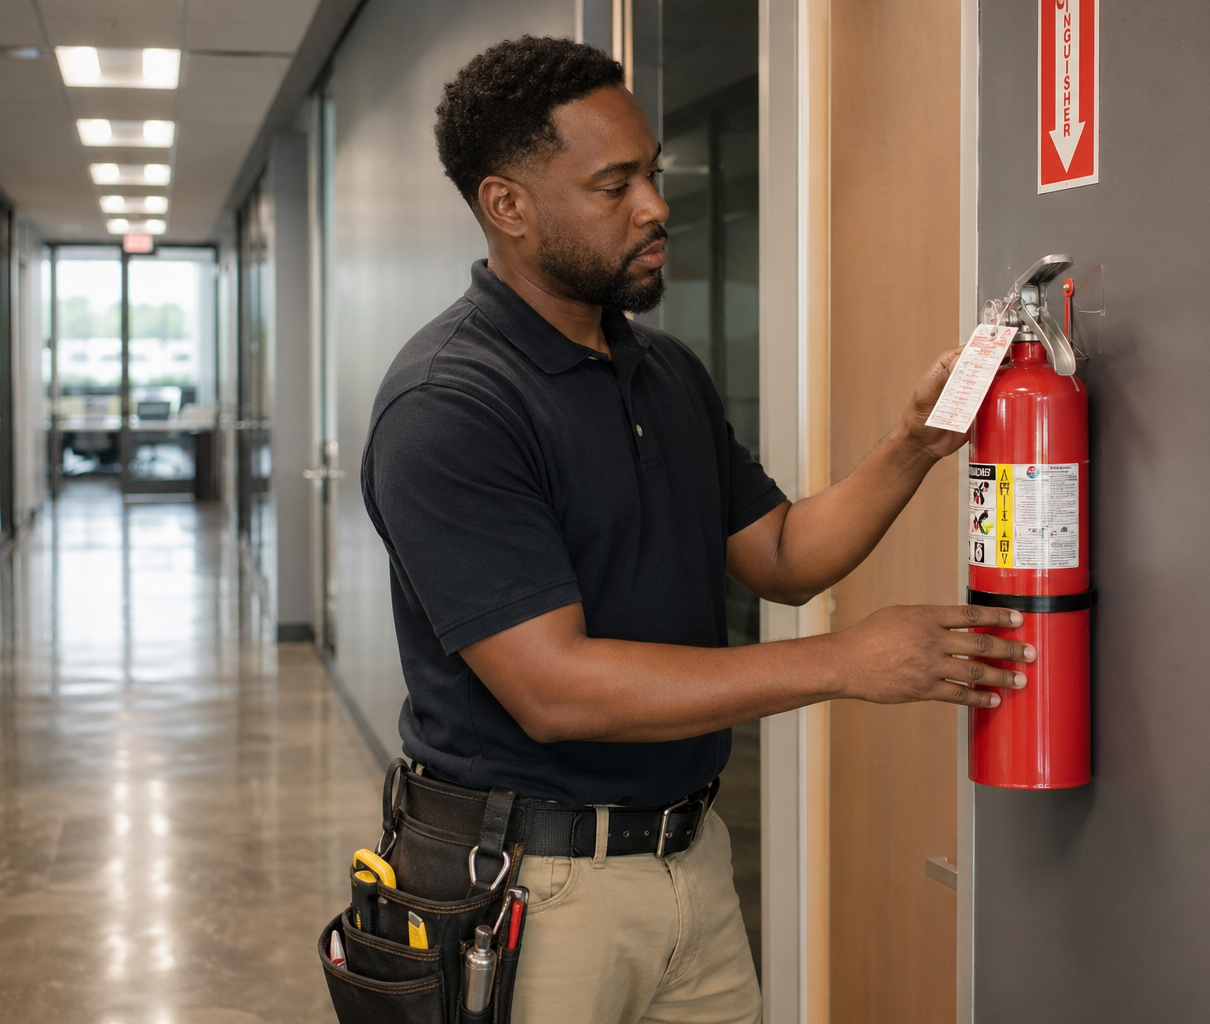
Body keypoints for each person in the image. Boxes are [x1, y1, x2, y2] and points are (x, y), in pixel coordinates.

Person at [361, 35, 1034, 1024]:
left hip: (690, 866)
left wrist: (913, 444)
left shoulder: (664, 372)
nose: (655, 206)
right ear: (508, 205)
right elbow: (554, 687)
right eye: (614, 185)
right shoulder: (450, 406)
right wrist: (843, 664)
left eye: (654, 172)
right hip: (530, 895)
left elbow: (779, 557)